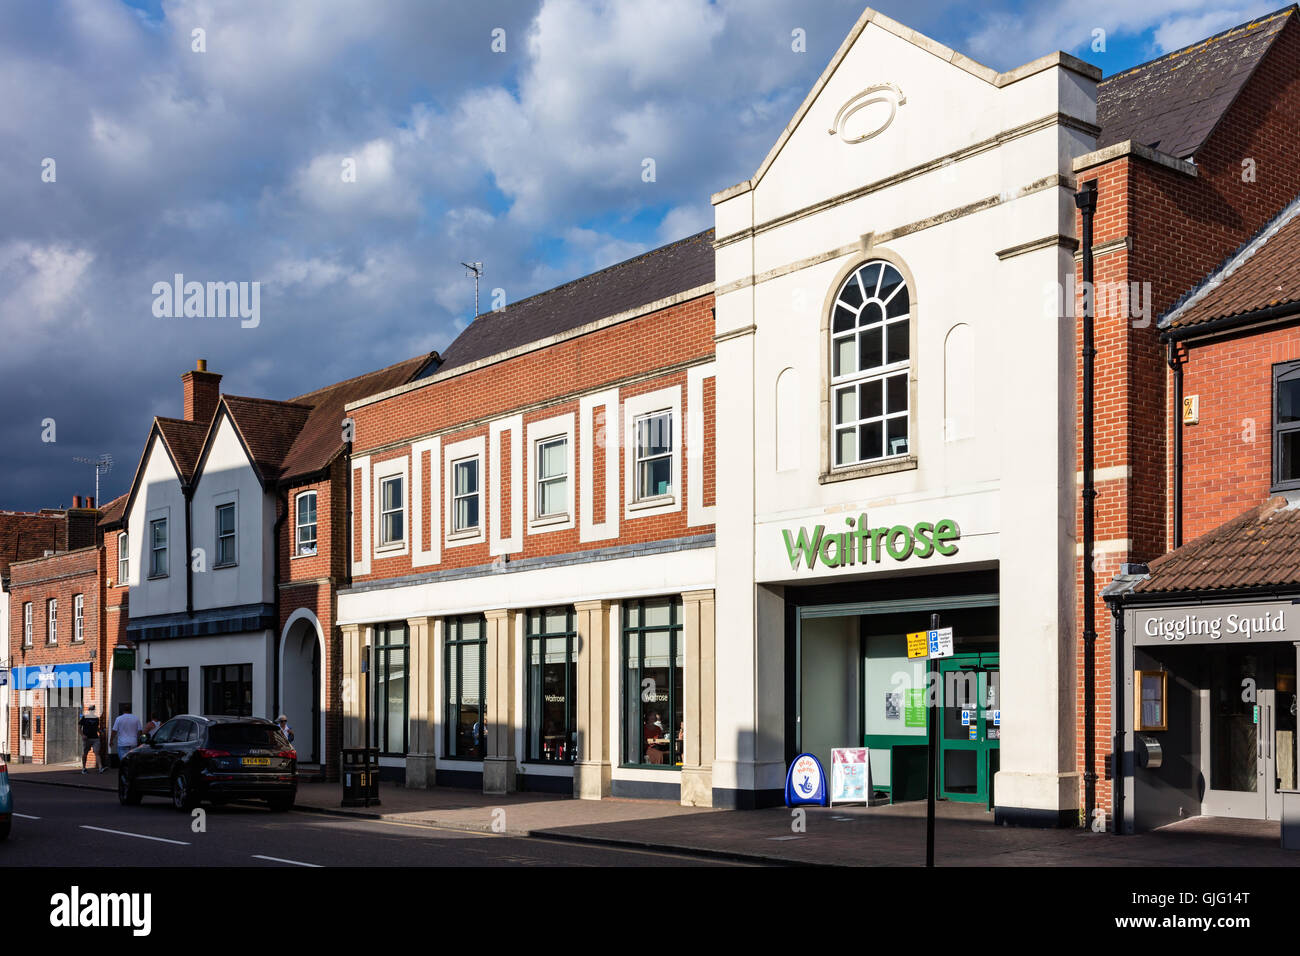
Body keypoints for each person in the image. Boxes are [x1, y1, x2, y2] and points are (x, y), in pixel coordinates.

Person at [79, 705, 105, 774]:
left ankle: (100, 768)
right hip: (87, 738)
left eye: (93, 710)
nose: (92, 711)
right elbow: (79, 728)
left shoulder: (96, 718)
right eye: (91, 710)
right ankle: (84, 768)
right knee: (85, 753)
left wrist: (100, 732)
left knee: (97, 753)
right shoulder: (84, 718)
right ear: (89, 710)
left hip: (95, 738)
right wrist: (82, 735)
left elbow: (96, 728)